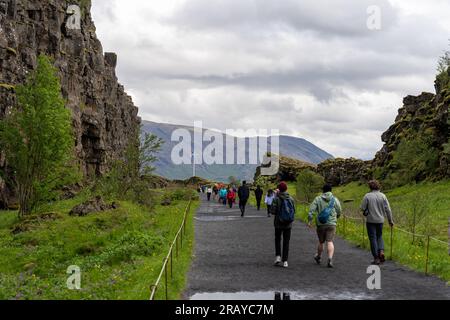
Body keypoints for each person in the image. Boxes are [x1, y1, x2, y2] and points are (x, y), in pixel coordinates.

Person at [308, 184, 342, 268]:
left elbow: (311, 210)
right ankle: (330, 259)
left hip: (321, 224)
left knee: (321, 242)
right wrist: (336, 217)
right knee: (330, 241)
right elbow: (339, 210)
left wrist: (310, 219)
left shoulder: (318, 198)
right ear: (331, 190)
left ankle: (318, 256)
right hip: (332, 224)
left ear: (323, 190)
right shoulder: (334, 199)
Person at [361, 180, 394, 265]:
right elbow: (388, 209)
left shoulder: (367, 196)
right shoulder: (383, 196)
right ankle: (381, 251)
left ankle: (376, 258)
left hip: (370, 220)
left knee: (372, 238)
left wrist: (366, 211)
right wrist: (390, 220)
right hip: (380, 220)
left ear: (370, 187)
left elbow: (362, 208)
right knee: (379, 236)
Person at [271, 182, 296, 268]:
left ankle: (278, 256)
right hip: (288, 224)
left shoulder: (276, 199)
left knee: (277, 239)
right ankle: (285, 261)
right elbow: (294, 211)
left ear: (279, 189)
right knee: (286, 241)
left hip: (278, 223)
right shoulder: (291, 199)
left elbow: (272, 211)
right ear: (286, 189)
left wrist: (275, 197)